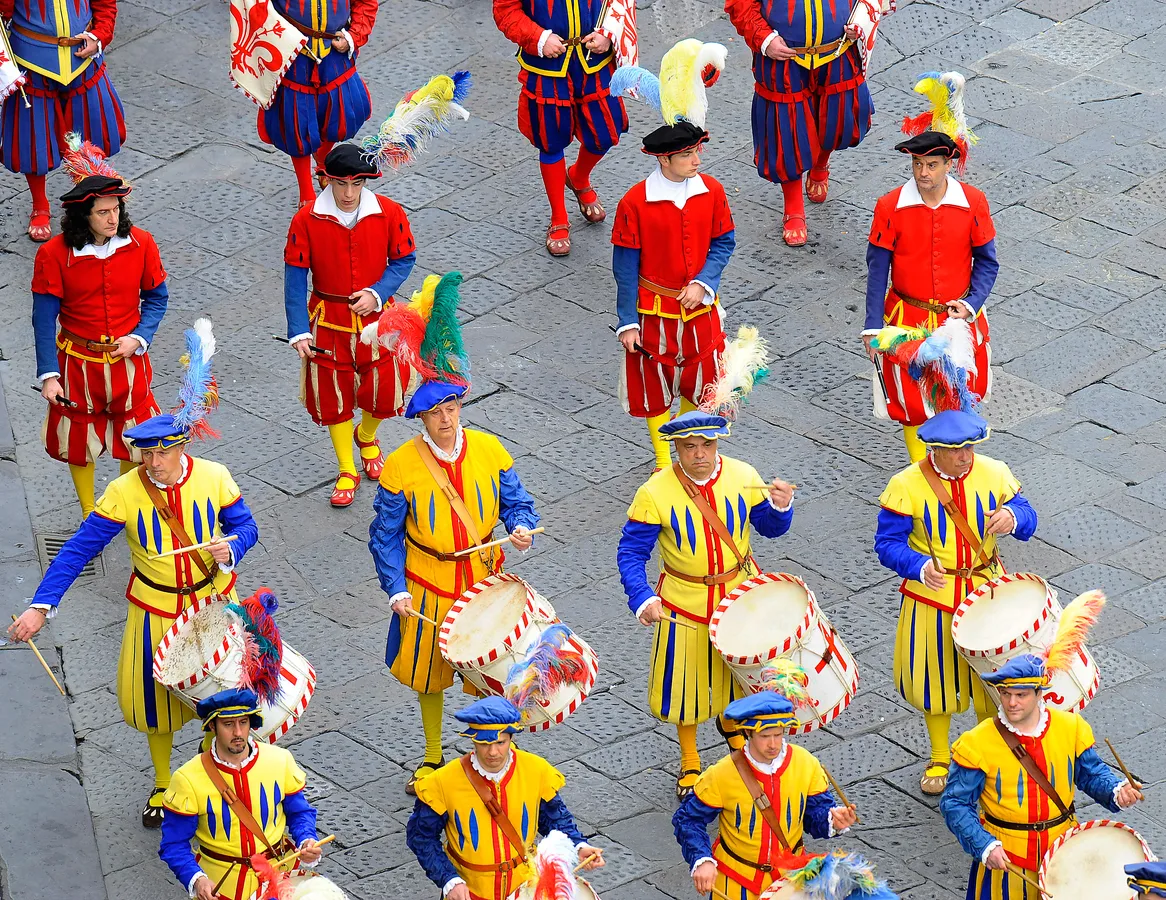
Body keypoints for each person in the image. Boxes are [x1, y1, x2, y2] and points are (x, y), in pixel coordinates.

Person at [7, 325, 259, 828]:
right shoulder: (124, 490)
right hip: (156, 610)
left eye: (161, 453)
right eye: (145, 454)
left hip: (214, 606)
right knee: (154, 706)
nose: (152, 463)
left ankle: (225, 774)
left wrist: (231, 548)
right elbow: (79, 550)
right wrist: (41, 606)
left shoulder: (215, 476)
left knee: (227, 698)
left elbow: (247, 527)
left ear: (181, 447)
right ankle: (165, 785)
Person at [369, 381, 539, 794]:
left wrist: (520, 527)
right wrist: (396, 589)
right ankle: (432, 755)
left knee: (500, 667)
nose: (445, 419)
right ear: (421, 419)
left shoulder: (489, 449)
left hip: (486, 578)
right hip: (428, 581)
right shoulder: (400, 466)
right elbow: (385, 535)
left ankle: (499, 747)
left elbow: (518, 503)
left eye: (451, 407)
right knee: (428, 673)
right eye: (434, 412)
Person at [616, 410, 795, 798]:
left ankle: (737, 735)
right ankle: (690, 758)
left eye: (707, 445)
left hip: (740, 596)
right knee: (686, 685)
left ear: (718, 444)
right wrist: (642, 596)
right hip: (685, 601)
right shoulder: (654, 493)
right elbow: (631, 552)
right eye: (689, 446)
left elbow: (769, 528)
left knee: (745, 677)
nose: (700, 454)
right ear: (675, 448)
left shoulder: (745, 476)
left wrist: (781, 508)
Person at [875, 409, 1037, 796]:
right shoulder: (905, 485)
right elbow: (887, 544)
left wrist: (1012, 516)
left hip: (987, 590)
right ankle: (939, 756)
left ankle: (989, 751)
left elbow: (1029, 516)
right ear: (934, 450)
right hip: (933, 593)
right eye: (956, 450)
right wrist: (917, 565)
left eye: (970, 448)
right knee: (933, 679)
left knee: (992, 679)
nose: (966, 456)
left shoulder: (995, 472)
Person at [940, 655, 1142, 900]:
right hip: (1008, 859)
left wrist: (1116, 790)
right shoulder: (976, 744)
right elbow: (955, 803)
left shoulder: (1071, 728)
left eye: (1021, 695)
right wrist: (984, 845)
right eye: (1005, 694)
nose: (1011, 703)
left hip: (1064, 853)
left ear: (1039, 694)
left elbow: (1090, 774)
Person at [283, 143, 416, 507]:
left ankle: (367, 435)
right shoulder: (306, 219)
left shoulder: (389, 212)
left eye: (356, 184)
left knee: (386, 388)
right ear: (325, 179)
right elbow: (295, 277)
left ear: (365, 182)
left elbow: (404, 258)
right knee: (333, 393)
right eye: (340, 183)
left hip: (378, 318)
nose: (347, 192)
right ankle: (346, 468)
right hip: (328, 320)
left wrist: (377, 292)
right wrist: (298, 329)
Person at [32, 172, 168, 518]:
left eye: (116, 209)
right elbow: (43, 318)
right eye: (103, 212)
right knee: (78, 438)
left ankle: (120, 504)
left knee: (132, 435)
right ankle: (89, 510)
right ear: (83, 216)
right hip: (77, 363)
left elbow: (156, 298)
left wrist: (138, 337)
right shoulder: (53, 254)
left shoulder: (142, 243)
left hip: (128, 361)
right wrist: (50, 374)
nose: (113, 219)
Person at [863, 132, 999, 462]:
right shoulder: (889, 207)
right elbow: (877, 270)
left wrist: (970, 305)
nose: (924, 173)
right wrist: (871, 328)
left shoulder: (974, 202)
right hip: (907, 321)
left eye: (932, 165)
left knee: (961, 395)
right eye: (918, 164)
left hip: (958, 322)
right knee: (912, 402)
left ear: (948, 165)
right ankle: (921, 472)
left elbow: (987, 261)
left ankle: (956, 468)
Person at [611, 120, 735, 472]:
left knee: (702, 379)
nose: (696, 160)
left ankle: (688, 444)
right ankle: (664, 460)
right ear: (664, 159)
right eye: (687, 154)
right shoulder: (634, 203)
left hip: (702, 308)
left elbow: (724, 241)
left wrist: (704, 282)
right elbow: (624, 267)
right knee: (654, 383)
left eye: (696, 151)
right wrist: (627, 322)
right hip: (653, 312)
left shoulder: (712, 190)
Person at [405, 697, 603, 900]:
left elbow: (555, 819)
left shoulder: (536, 771)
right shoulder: (442, 782)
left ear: (511, 738)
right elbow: (421, 837)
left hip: (523, 889)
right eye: (484, 743)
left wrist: (579, 846)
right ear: (473, 739)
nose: (493, 752)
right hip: (471, 893)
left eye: (500, 742)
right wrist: (449, 880)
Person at [673, 691, 857, 900]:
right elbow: (687, 819)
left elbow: (814, 815)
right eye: (764, 736)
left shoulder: (806, 764)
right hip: (736, 881)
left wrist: (833, 819)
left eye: (778, 735)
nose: (773, 744)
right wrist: (702, 859)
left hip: (790, 880)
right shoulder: (721, 774)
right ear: (747, 734)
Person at [724, 0, 878, 247]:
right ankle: (793, 206)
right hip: (783, 57)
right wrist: (764, 38)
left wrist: (862, 19)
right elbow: (740, 3)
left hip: (839, 50)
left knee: (840, 119)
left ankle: (820, 162)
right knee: (786, 128)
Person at [493, 0, 630, 257]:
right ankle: (558, 216)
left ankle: (578, 177)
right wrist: (539, 38)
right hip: (545, 64)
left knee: (604, 133)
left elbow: (619, 3)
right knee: (550, 138)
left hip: (595, 59)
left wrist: (608, 33)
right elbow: (505, 10)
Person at [158, 689, 323, 900]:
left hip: (279, 880)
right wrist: (197, 879)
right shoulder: (187, 778)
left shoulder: (280, 760)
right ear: (212, 726)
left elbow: (299, 812)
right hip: (222, 886)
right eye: (228, 725)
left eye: (243, 722)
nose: (238, 733)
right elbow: (174, 844)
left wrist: (306, 840)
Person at [0, 0, 124, 241]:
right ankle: (40, 205)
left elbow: (105, 4)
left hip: (83, 60)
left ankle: (93, 199)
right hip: (30, 60)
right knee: (33, 139)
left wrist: (100, 35)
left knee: (89, 133)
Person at [257, 0, 376, 205]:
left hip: (335, 51)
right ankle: (306, 194)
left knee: (344, 113)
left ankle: (322, 158)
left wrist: (353, 36)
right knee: (295, 122)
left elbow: (366, 2)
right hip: (292, 54)